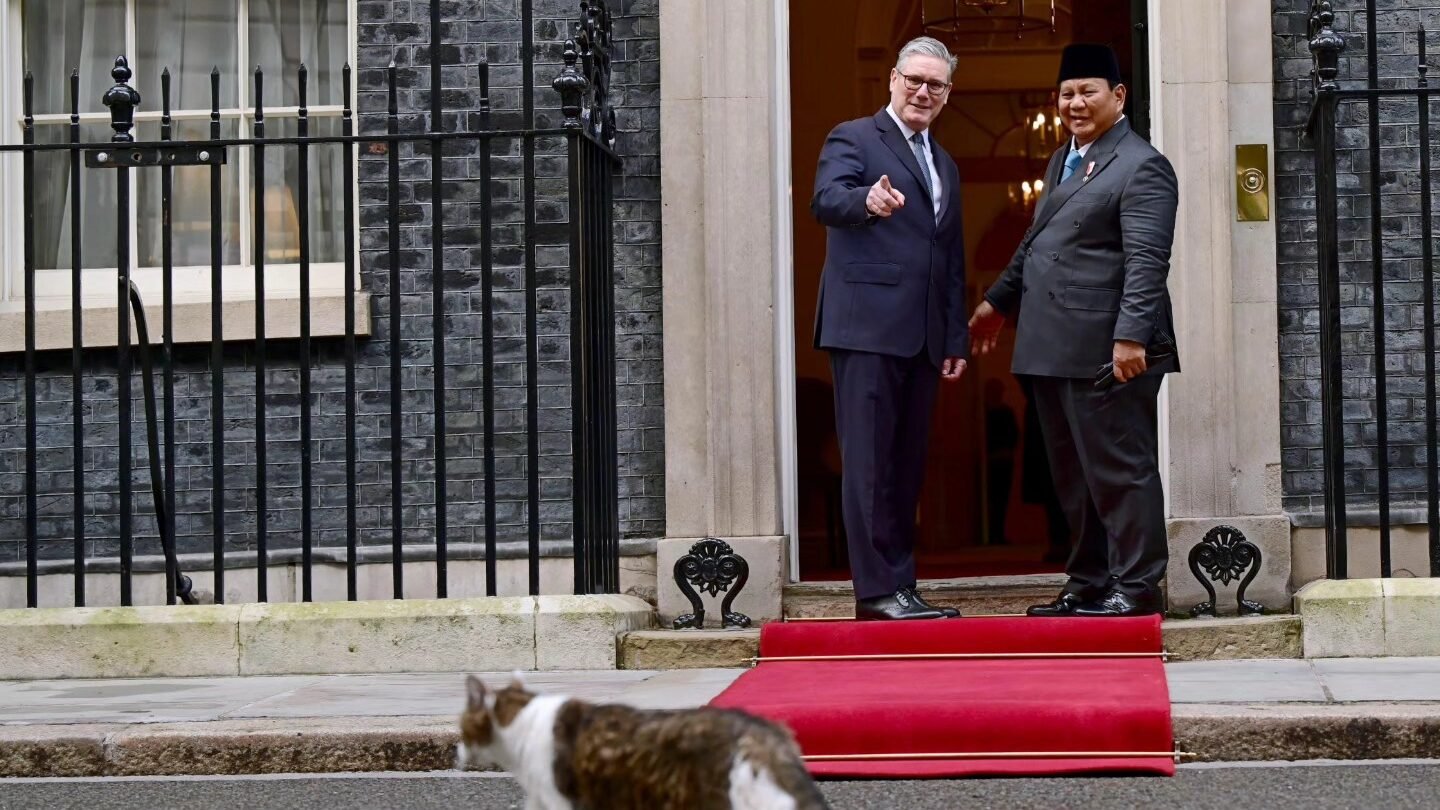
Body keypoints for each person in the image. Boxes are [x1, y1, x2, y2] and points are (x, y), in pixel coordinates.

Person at [968, 43, 1180, 618]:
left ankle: (1135, 587)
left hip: (1107, 348)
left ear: (1118, 96)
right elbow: (1037, 244)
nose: (1075, 103)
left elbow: (1147, 260)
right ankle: (1088, 581)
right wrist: (997, 302)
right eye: (1066, 93)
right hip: (1050, 343)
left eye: (1088, 91)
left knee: (1118, 468)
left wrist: (1132, 336)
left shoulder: (1142, 164)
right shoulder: (1063, 158)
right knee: (1072, 477)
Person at [811, 36, 969, 621]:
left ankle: (901, 586)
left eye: (936, 85)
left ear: (948, 95)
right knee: (870, 465)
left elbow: (949, 259)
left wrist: (955, 338)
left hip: (924, 337)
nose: (923, 91)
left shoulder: (944, 163)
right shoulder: (854, 136)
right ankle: (875, 592)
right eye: (915, 80)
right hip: (865, 328)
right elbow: (826, 199)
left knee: (905, 466)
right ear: (894, 80)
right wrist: (865, 202)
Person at [983, 379, 1018, 546]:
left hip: (1003, 461)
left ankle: (997, 534)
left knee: (1001, 501)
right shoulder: (981, 414)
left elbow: (1014, 436)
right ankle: (989, 534)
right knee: (988, 501)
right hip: (987, 463)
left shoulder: (1006, 412)